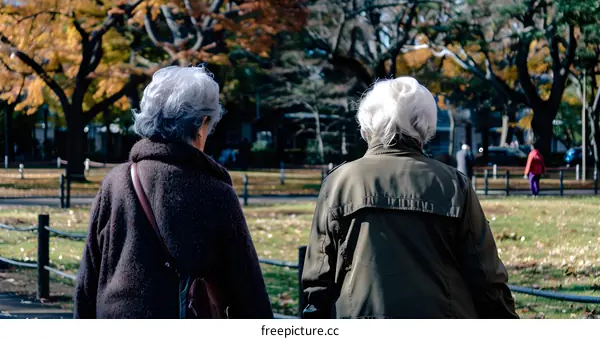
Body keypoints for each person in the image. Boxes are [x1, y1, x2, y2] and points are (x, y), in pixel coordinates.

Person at [301, 77, 517, 319]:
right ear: (425, 124)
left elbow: (318, 275)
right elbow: (485, 275)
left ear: (367, 122)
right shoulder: (454, 184)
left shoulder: (339, 182)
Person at [73, 66, 273, 319]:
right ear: (201, 124)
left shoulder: (116, 181)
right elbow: (248, 291)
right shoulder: (216, 193)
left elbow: (87, 280)